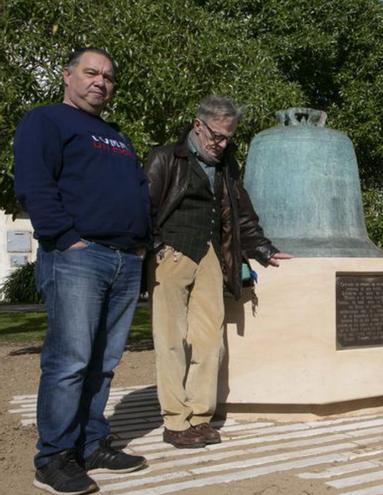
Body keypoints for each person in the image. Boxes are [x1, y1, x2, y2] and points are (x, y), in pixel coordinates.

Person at [14, 47, 150, 494]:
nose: (100, 82)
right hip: (78, 255)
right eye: (91, 73)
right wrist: (66, 237)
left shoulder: (116, 135)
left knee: (104, 364)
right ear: (68, 75)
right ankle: (53, 458)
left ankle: (92, 443)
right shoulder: (46, 120)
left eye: (108, 77)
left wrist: (140, 246)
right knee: (69, 361)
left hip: (124, 258)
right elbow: (34, 183)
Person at [144, 95, 292, 448]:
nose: (223, 144)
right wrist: (156, 248)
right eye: (217, 136)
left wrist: (265, 250)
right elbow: (142, 208)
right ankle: (175, 421)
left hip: (210, 254)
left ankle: (199, 417)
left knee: (210, 342)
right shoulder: (166, 157)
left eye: (229, 138)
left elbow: (241, 214)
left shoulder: (226, 166)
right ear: (198, 125)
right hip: (171, 254)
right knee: (170, 340)